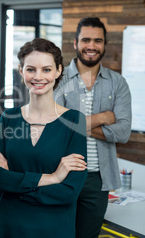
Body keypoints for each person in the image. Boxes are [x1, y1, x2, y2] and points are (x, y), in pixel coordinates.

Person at [0, 38, 88, 237]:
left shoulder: (74, 121)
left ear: (58, 71)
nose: (38, 77)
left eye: (46, 69)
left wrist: (16, 184)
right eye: (31, 69)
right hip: (10, 227)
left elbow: (69, 191)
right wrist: (53, 178)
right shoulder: (9, 118)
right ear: (21, 71)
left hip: (53, 228)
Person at [54, 17, 132, 238]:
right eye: (86, 39)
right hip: (61, 172)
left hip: (98, 178)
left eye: (98, 40)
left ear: (104, 44)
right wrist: (103, 117)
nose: (91, 46)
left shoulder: (117, 83)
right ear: (75, 43)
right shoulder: (57, 78)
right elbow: (53, 126)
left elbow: (124, 132)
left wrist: (73, 123)